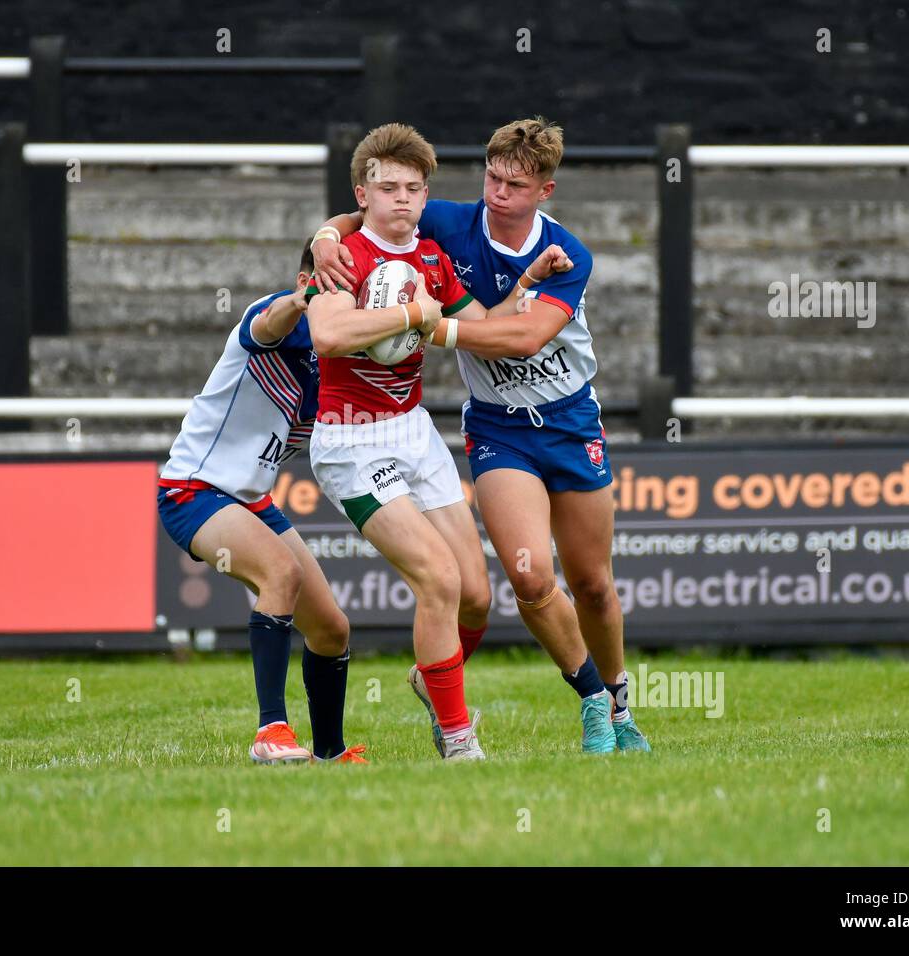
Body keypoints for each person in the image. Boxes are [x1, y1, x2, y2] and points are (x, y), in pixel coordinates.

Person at [310, 117, 648, 754]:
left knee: (595, 584)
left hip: (571, 422)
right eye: (492, 177)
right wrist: (325, 236)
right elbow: (376, 208)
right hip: (498, 429)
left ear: (544, 191)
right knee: (527, 578)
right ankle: (593, 706)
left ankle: (621, 702)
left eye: (515, 185)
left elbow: (518, 337)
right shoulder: (446, 221)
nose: (498, 193)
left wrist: (427, 326)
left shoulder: (569, 253)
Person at [159, 241, 365, 765]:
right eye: (329, 286)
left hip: (250, 500)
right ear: (306, 281)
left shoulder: (336, 362)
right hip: (193, 491)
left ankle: (330, 753)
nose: (341, 300)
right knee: (281, 573)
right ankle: (270, 731)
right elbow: (271, 320)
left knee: (331, 627)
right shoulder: (272, 319)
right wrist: (303, 301)